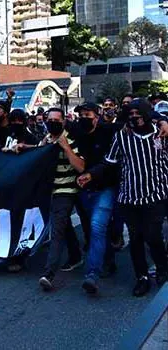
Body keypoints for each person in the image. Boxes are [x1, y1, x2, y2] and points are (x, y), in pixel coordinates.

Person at [78, 99, 168, 297]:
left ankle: (162, 268)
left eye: (138, 112)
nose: (134, 117)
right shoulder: (122, 136)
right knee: (135, 238)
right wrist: (91, 174)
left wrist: (163, 121)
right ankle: (141, 277)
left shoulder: (162, 133)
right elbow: (108, 162)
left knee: (153, 235)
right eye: (131, 114)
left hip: (156, 195)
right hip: (130, 197)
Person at [67, 102, 123, 294]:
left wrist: (162, 121)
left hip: (105, 187)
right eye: (81, 114)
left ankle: (92, 274)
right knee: (95, 229)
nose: (84, 117)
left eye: (87, 114)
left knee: (98, 226)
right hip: (84, 190)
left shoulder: (109, 130)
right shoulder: (77, 132)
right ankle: (107, 260)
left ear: (97, 116)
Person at [38, 108, 86, 291]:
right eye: (49, 119)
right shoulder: (46, 140)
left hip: (66, 190)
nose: (52, 123)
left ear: (64, 121)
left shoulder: (71, 140)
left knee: (57, 229)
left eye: (56, 120)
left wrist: (65, 147)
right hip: (51, 189)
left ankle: (49, 273)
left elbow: (81, 167)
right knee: (63, 225)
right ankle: (75, 256)